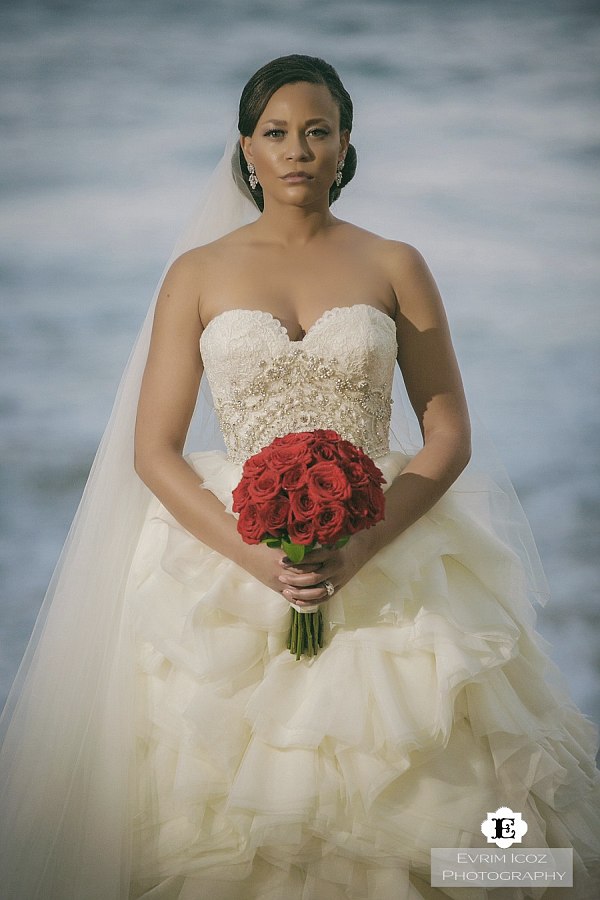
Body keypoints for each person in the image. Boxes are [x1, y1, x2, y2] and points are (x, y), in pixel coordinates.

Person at [0, 54, 599, 900]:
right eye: (276, 133)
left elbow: (448, 431)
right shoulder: (196, 274)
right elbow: (154, 451)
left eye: (318, 132)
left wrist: (363, 543)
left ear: (346, 144)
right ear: (245, 147)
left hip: (386, 545)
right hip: (229, 563)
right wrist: (256, 560)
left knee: (441, 812)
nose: (297, 150)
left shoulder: (397, 263)